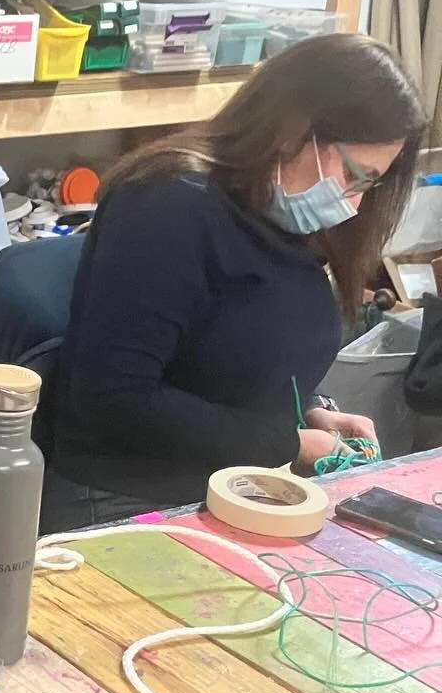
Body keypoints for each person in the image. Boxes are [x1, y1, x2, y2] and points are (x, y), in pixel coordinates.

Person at [40, 33, 425, 533]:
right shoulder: (167, 207)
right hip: (126, 497)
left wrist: (309, 414)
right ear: (293, 130)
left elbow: (231, 357)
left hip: (229, 483)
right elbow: (116, 398)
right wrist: (289, 444)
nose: (352, 202)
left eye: (367, 185)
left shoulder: (282, 214)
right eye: (353, 174)